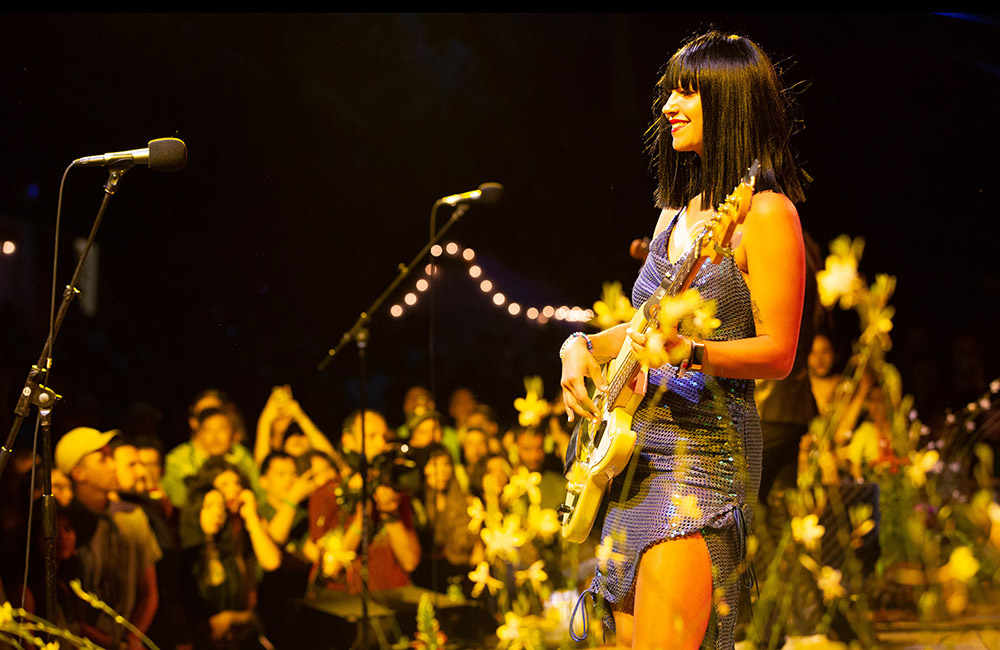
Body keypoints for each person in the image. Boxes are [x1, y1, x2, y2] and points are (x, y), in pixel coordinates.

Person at [560, 31, 806, 650]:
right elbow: (643, 326)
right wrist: (583, 347)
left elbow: (778, 353)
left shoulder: (767, 215)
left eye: (688, 91)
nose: (669, 104)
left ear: (731, 103)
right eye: (670, 89)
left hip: (699, 468)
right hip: (635, 463)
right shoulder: (676, 212)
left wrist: (691, 353)